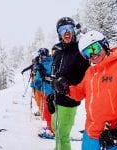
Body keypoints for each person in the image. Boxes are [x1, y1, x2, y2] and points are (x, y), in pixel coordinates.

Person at [56, 30, 117, 150]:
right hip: (91, 131)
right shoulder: (91, 72)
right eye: (87, 53)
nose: (92, 55)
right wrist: (66, 89)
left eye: (94, 48)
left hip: (111, 134)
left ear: (104, 44)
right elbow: (81, 92)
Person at [48, 17, 90, 150]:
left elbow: (85, 77)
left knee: (63, 135)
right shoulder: (58, 50)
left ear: (74, 31)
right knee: (56, 129)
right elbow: (55, 73)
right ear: (59, 33)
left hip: (69, 99)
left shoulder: (79, 50)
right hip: (56, 97)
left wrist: (67, 83)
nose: (66, 32)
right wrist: (51, 95)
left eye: (70, 28)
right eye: (62, 29)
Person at [34, 48, 54, 139]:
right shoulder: (47, 62)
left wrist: (35, 84)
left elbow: (40, 78)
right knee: (49, 110)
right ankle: (51, 127)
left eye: (42, 54)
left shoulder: (47, 63)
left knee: (48, 110)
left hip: (49, 90)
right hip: (48, 89)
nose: (41, 56)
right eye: (40, 55)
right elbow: (39, 77)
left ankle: (52, 130)